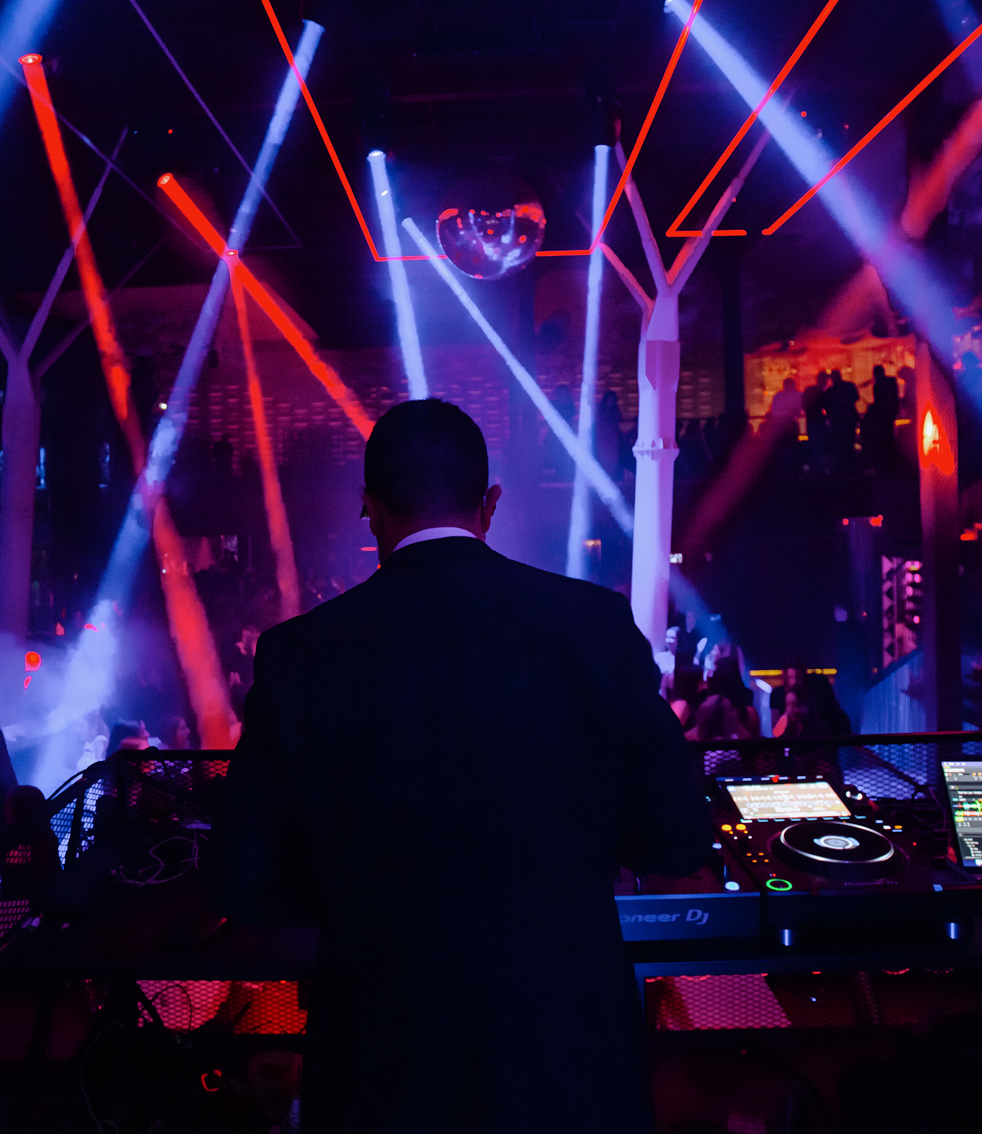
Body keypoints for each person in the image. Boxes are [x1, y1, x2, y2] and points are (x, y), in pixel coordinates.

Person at [214, 398, 706, 1134]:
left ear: (369, 509)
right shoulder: (595, 626)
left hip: (382, 1069)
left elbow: (247, 882)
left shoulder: (300, 655)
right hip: (568, 1061)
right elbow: (675, 841)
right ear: (490, 504)